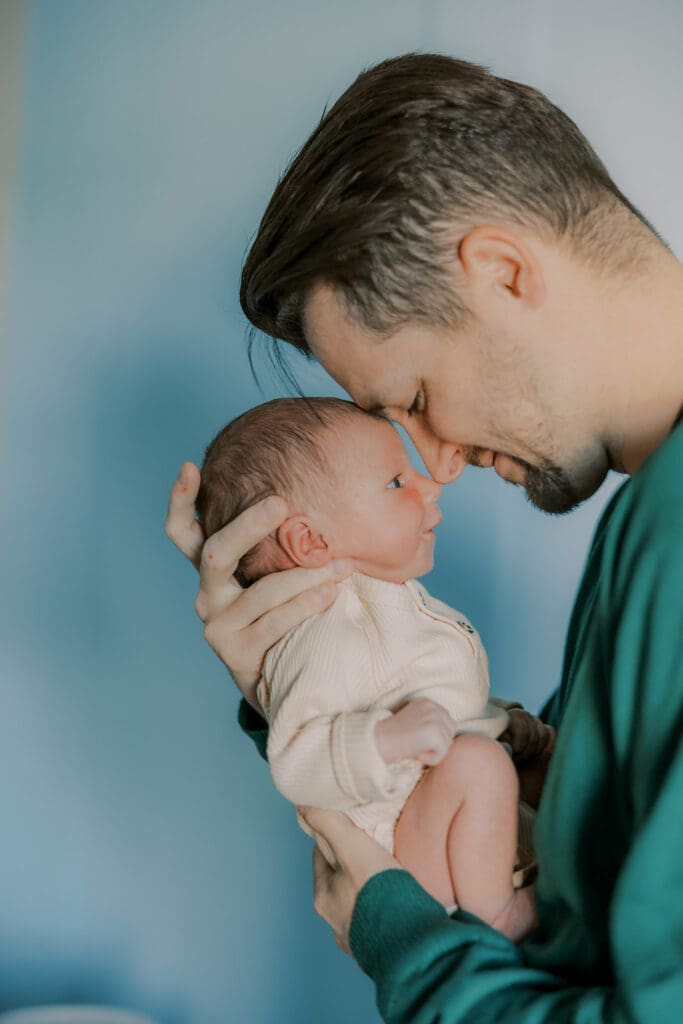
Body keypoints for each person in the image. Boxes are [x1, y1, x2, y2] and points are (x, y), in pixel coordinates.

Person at [166, 54, 683, 1023]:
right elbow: (594, 872)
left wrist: (399, 934)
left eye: (413, 399)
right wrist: (289, 674)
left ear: (500, 271)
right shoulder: (646, 514)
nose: (437, 466)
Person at [197, 395, 553, 940]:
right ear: (310, 541)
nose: (429, 485)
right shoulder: (323, 632)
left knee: (545, 764)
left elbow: (429, 694)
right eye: (396, 482)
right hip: (406, 851)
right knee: (477, 765)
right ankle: (497, 914)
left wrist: (504, 722)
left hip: (445, 823)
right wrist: (385, 740)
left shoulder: (384, 603)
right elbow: (295, 760)